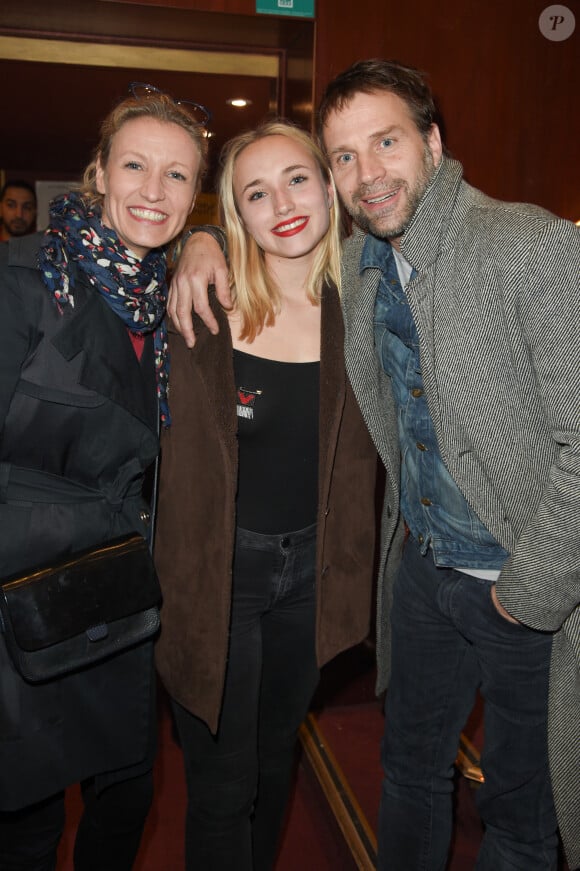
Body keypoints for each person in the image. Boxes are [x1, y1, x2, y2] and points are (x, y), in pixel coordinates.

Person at [165, 59, 580, 871]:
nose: (365, 173)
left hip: (488, 580)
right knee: (391, 775)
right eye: (345, 156)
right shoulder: (303, 285)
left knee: (517, 808)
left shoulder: (466, 257)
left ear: (431, 142)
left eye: (383, 143)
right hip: (385, 575)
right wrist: (198, 238)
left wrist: (526, 590)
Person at [153, 120, 378, 871]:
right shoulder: (199, 307)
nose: (281, 202)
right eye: (255, 191)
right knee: (221, 785)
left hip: (314, 578)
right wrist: (197, 239)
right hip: (218, 577)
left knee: (277, 758)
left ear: (328, 185)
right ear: (236, 212)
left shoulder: (371, 306)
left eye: (296, 178)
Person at [0, 86, 207, 870]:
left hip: (117, 594)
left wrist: (211, 241)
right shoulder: (24, 277)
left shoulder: (172, 300)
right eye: (136, 166)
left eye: (178, 175)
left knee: (125, 800)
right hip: (18, 591)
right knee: (26, 821)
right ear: (97, 173)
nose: (154, 191)